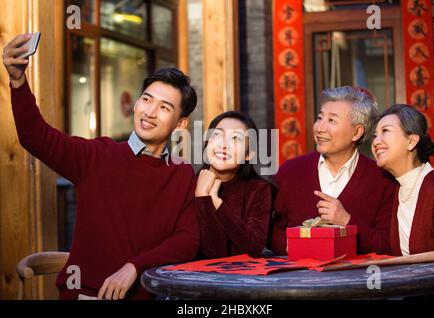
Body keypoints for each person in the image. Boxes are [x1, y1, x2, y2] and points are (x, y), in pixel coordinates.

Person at [3, 34, 200, 300]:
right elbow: (35, 136)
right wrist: (17, 81)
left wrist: (134, 266)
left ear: (180, 124)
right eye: (146, 99)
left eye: (164, 107)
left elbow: (188, 240)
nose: (149, 112)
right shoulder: (97, 155)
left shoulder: (182, 174)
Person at [269, 86, 396, 255]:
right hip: (298, 279)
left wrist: (347, 221)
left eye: (331, 121)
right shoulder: (290, 172)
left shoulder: (382, 180)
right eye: (319, 118)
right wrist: (294, 247)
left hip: (356, 279)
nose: (320, 128)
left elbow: (386, 245)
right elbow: (270, 230)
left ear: (357, 132)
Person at [372, 104, 434, 259]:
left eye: (385, 131)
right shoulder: (395, 188)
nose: (375, 142)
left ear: (411, 141)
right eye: (375, 135)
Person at [195, 111, 273, 258]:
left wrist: (216, 202)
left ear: (249, 154)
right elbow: (211, 252)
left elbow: (254, 247)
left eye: (235, 138)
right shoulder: (189, 185)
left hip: (242, 279)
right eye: (217, 135)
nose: (223, 145)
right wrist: (202, 198)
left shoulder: (259, 190)